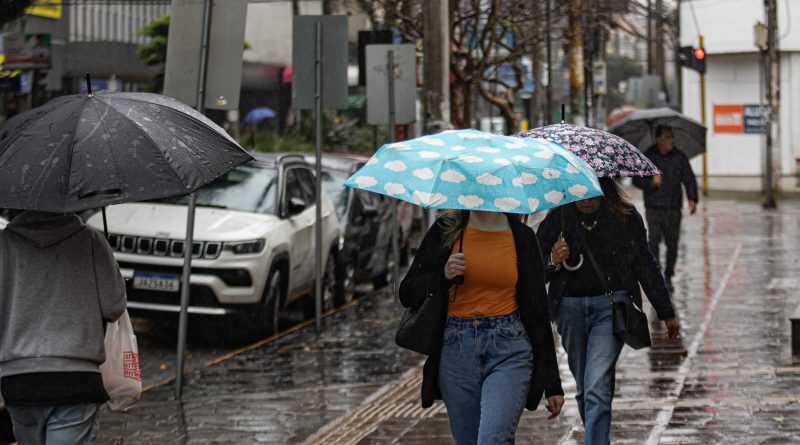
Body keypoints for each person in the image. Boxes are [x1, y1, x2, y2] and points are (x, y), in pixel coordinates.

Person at [399, 210, 565, 445]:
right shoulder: (445, 230)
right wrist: (442, 275)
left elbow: (538, 312)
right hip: (456, 351)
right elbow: (407, 292)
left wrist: (552, 383)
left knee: (493, 439)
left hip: (510, 349)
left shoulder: (522, 237)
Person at [537, 177, 680, 445]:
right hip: (569, 311)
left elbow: (645, 264)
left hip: (611, 309)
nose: (587, 200)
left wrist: (665, 310)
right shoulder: (557, 220)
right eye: (581, 193)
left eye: (592, 192)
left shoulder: (625, 218)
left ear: (604, 189)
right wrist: (553, 261)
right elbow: (534, 270)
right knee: (584, 388)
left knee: (596, 386)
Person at [0, 210, 127, 444]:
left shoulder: (4, 243)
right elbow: (114, 306)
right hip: (76, 377)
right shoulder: (91, 240)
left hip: (19, 379)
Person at [632, 125, 699, 290]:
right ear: (659, 139)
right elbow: (636, 180)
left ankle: (669, 274)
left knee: (672, 244)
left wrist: (692, 198)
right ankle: (657, 275)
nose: (671, 140)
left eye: (672, 136)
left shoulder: (679, 157)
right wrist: (651, 183)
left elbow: (688, 178)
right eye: (668, 137)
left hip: (673, 208)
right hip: (654, 207)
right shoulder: (648, 157)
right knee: (653, 241)